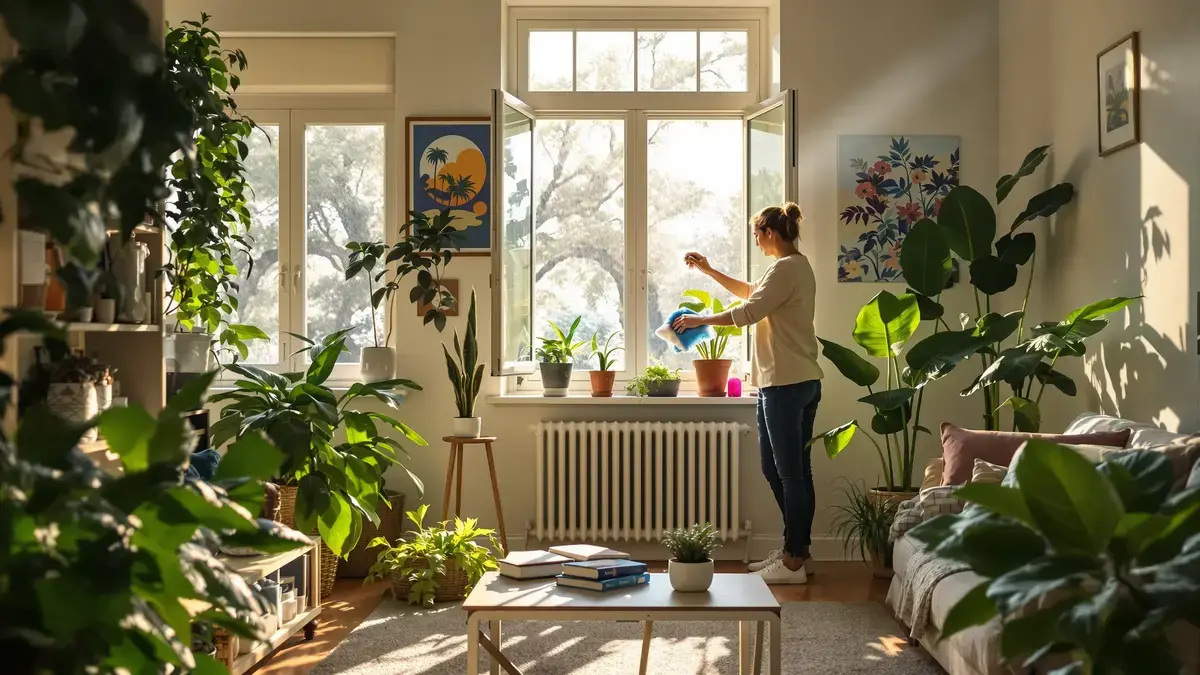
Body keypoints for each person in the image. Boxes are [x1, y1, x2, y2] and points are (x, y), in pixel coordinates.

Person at [673, 203, 823, 584]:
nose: (756, 243)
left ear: (770, 232)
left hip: (786, 385)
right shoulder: (791, 268)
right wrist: (709, 270)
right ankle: (796, 550)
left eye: (757, 235)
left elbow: (748, 312)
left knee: (789, 475)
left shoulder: (787, 268)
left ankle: (793, 561)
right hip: (790, 382)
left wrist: (700, 319)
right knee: (784, 471)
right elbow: (751, 293)